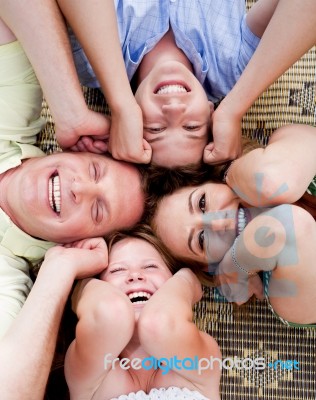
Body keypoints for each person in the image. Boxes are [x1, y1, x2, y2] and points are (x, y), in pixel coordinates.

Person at [0, 19, 145, 339]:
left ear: (78, 244)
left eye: (97, 211)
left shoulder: (6, 283)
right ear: (78, 150)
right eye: (94, 170)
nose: (79, 188)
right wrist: (69, 109)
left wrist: (61, 269)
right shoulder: (13, 109)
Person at [56, 0, 316, 167]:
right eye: (192, 126)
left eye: (156, 129)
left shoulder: (92, 60)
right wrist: (234, 109)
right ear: (210, 113)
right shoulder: (231, 67)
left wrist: (120, 102)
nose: (173, 109)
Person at [146, 124, 316, 326]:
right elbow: (289, 227)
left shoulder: (285, 141)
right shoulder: (285, 298)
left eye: (202, 203)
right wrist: (238, 264)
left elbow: (271, 181)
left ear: (214, 178)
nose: (218, 223)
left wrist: (229, 171)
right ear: (210, 267)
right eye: (201, 239)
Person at [65, 227, 222, 399]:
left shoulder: (202, 358)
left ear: (173, 283)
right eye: (117, 270)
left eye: (150, 266)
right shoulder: (88, 373)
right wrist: (80, 284)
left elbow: (160, 324)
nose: (135, 275)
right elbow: (110, 314)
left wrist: (187, 278)